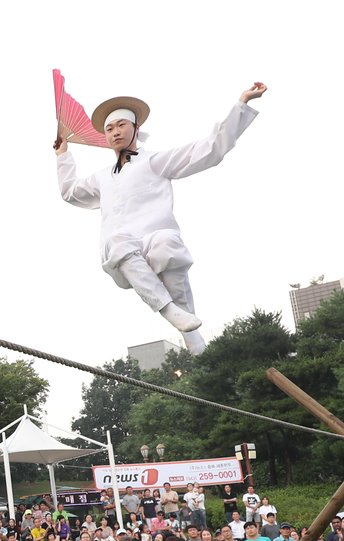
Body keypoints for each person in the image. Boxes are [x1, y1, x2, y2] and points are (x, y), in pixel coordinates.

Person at [54, 82, 268, 353]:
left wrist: (242, 104)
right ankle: (168, 310)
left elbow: (210, 150)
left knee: (168, 241)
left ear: (136, 129)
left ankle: (189, 331)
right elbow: (70, 192)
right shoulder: (101, 178)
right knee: (118, 240)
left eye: (121, 125)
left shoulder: (154, 162)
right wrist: (63, 156)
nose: (115, 132)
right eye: (109, 129)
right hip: (121, 259)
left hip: (155, 246)